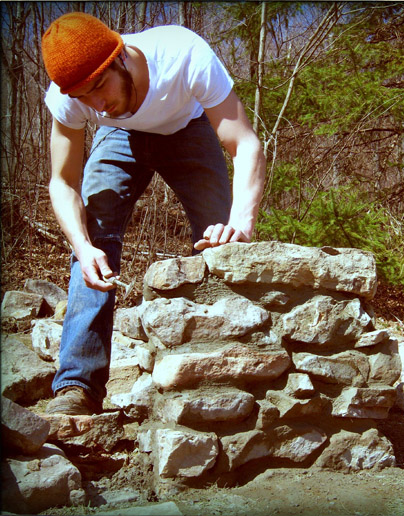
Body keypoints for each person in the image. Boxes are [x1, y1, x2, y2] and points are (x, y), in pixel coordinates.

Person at [41, 12, 265, 415]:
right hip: (118, 140)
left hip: (188, 128)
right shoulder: (68, 97)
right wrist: (82, 245)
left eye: (99, 87)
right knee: (92, 242)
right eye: (82, 98)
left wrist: (240, 225)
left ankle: (230, 371)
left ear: (121, 57)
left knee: (223, 243)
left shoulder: (183, 54)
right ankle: (78, 385)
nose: (96, 104)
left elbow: (245, 144)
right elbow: (62, 182)